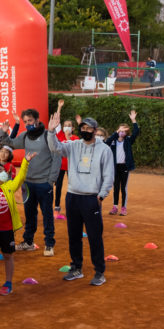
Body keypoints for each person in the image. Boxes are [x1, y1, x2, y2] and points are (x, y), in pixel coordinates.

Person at [47, 111, 114, 286]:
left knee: (94, 236)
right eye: (83, 128)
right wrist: (51, 132)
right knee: (74, 236)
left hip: (91, 198)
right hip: (72, 197)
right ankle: (76, 268)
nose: (85, 131)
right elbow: (55, 148)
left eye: (89, 128)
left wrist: (101, 196)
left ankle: (99, 272)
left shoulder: (104, 150)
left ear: (95, 130)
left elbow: (109, 175)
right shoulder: (74, 145)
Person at [0, 148, 32, 296]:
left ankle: (8, 283)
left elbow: (20, 177)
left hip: (7, 229)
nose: (3, 172)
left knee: (8, 256)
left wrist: (25, 162)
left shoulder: (9, 186)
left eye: (3, 170)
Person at [11, 108, 60, 257]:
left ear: (37, 120)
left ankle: (49, 244)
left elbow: (57, 158)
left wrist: (50, 180)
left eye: (30, 120)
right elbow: (10, 143)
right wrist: (14, 127)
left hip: (44, 184)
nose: (28, 124)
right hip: (27, 183)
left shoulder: (47, 135)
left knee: (47, 215)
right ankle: (28, 242)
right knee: (29, 214)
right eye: (25, 121)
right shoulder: (25, 135)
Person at [106, 110, 140, 216]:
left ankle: (123, 208)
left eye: (124, 131)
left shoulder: (128, 140)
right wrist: (116, 133)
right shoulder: (113, 140)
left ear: (127, 133)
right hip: (114, 167)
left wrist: (133, 120)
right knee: (116, 187)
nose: (122, 132)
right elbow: (106, 143)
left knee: (123, 188)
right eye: (121, 130)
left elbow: (136, 132)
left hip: (124, 166)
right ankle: (115, 207)